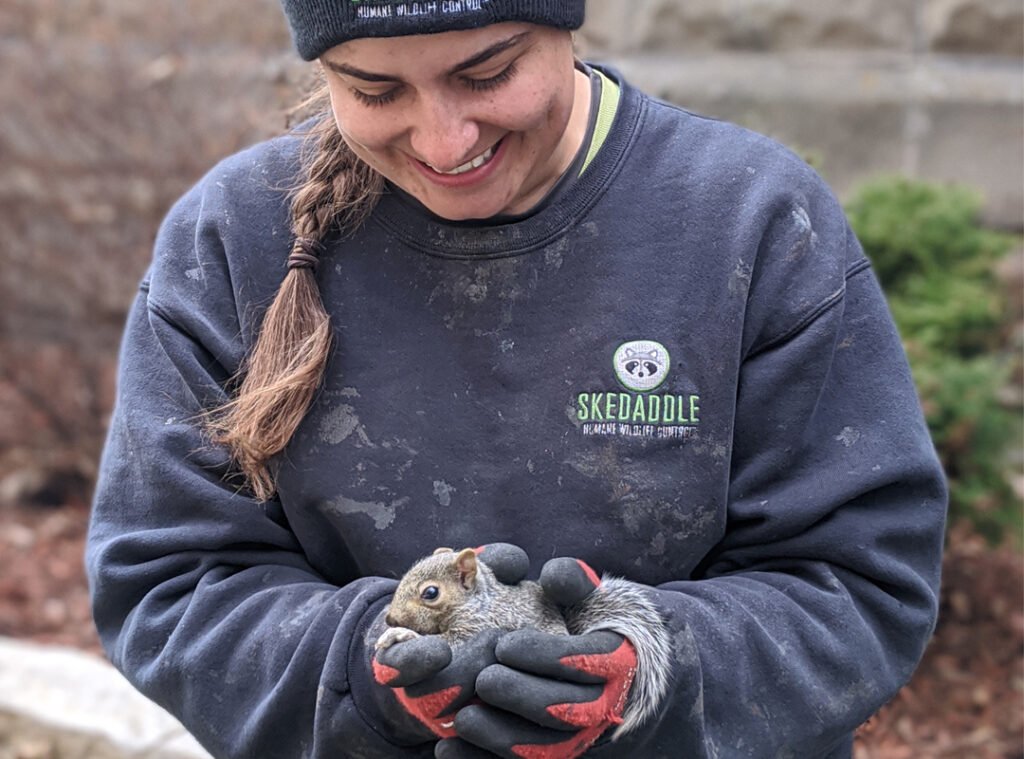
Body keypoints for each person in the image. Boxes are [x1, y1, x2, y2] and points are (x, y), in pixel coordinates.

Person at [85, 1, 948, 757]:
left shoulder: (750, 220)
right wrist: (368, 675)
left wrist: (652, 673)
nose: (443, 139)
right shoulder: (233, 240)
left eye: (488, 72)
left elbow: (858, 583)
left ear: (563, 27)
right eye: (375, 91)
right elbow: (168, 579)